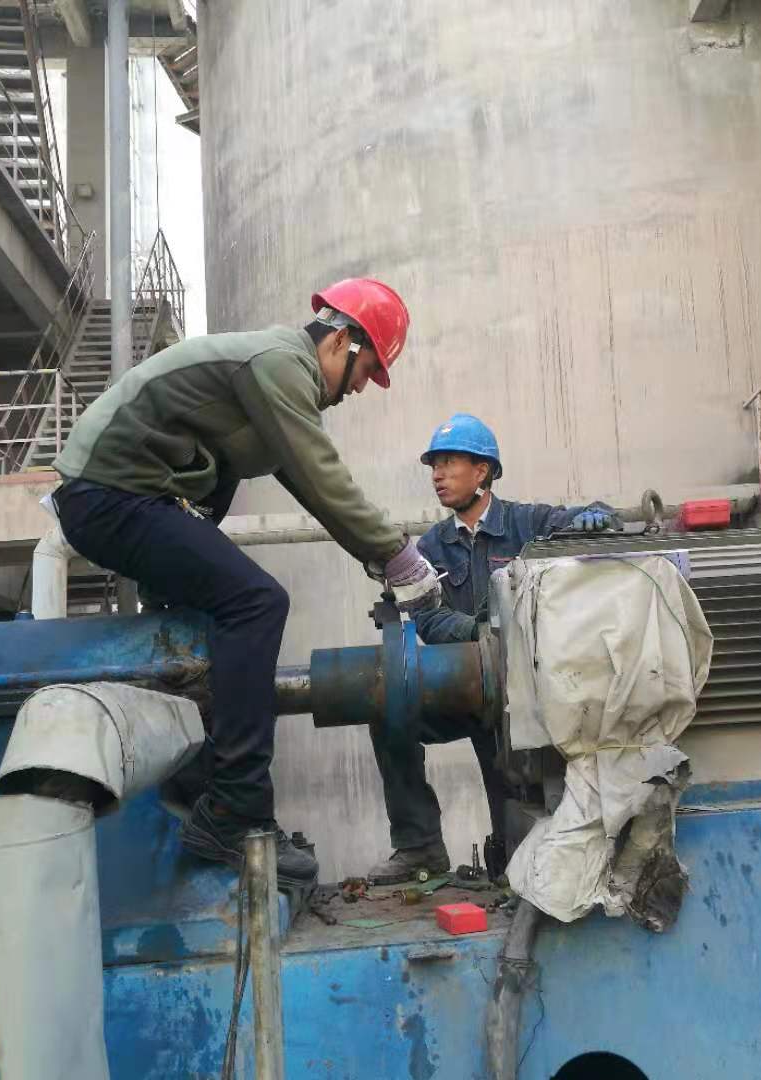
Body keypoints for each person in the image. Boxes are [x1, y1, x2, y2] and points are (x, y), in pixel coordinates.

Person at [51, 278, 440, 885]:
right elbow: (322, 475)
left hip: (128, 495)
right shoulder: (281, 365)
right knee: (257, 604)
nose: (361, 387)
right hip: (112, 495)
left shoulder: (275, 376)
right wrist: (397, 555)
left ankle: (195, 777)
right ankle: (236, 813)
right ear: (341, 341)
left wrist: (372, 556)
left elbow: (282, 481)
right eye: (367, 370)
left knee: (212, 618)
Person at [366, 413, 620, 884]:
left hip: (527, 697)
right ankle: (419, 846)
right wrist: (482, 632)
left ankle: (524, 866)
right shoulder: (432, 547)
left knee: (518, 838)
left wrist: (599, 517)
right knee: (388, 712)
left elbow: (595, 516)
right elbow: (428, 617)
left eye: (449, 463)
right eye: (434, 466)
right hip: (466, 686)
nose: (437, 474)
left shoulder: (528, 524)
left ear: (482, 470)